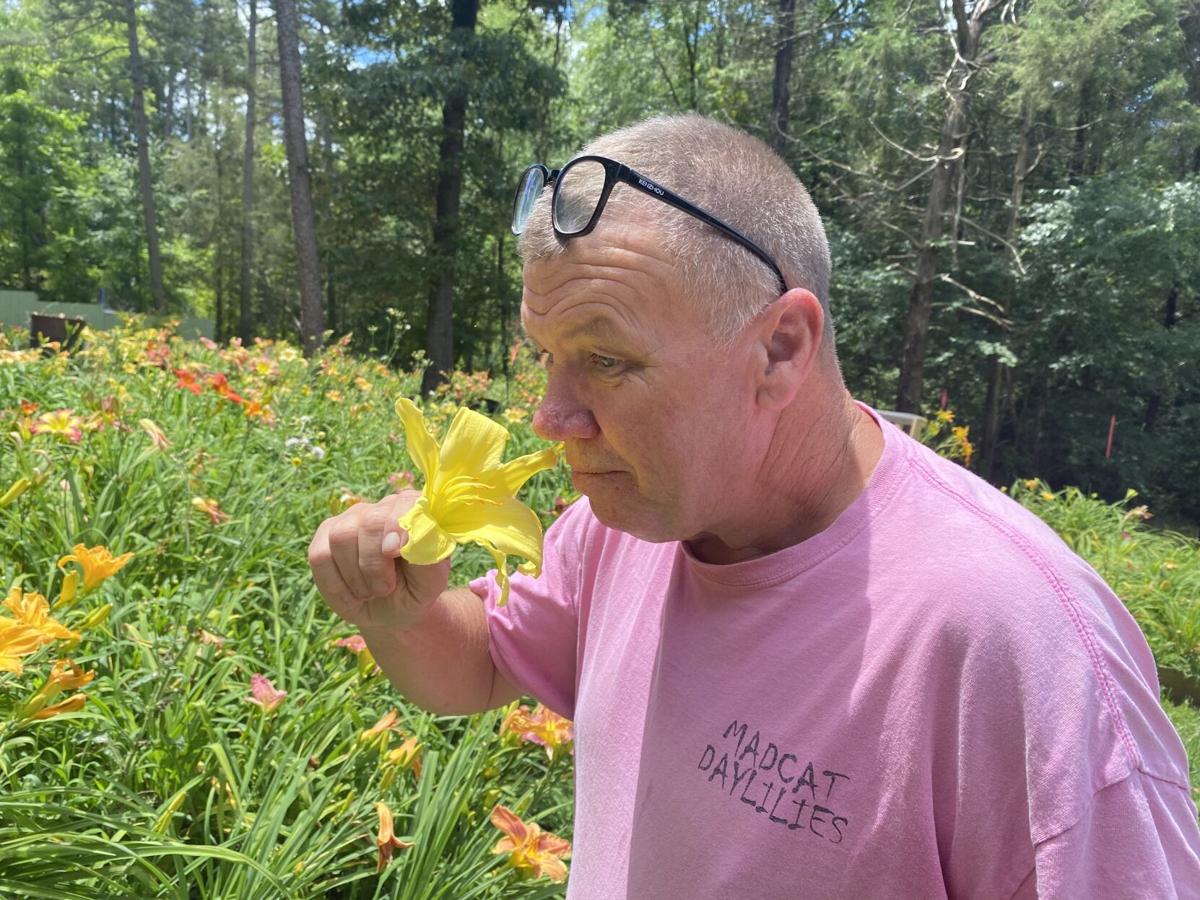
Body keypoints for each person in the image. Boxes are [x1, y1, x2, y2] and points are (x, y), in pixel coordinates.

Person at [308, 114, 1200, 898]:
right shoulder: (626, 525)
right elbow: (480, 665)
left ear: (780, 348)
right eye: (545, 353)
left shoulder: (1020, 645)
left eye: (607, 361)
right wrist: (401, 611)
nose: (550, 416)